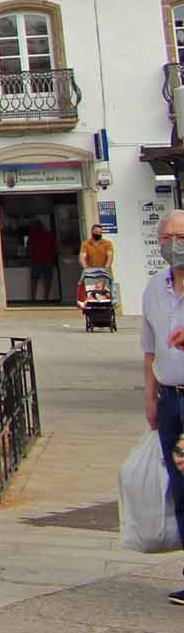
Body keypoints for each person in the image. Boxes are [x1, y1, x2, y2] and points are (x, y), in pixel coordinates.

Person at [138, 209, 184, 608]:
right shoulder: (154, 287)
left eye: (180, 236)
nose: (174, 244)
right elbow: (149, 351)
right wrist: (150, 399)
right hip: (171, 401)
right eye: (166, 237)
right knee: (182, 489)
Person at [25, 221, 58, 304]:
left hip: (36, 260)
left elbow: (28, 248)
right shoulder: (48, 234)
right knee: (47, 279)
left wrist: (30, 256)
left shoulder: (32, 235)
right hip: (47, 259)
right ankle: (46, 298)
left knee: (34, 279)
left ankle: (33, 298)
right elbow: (54, 246)